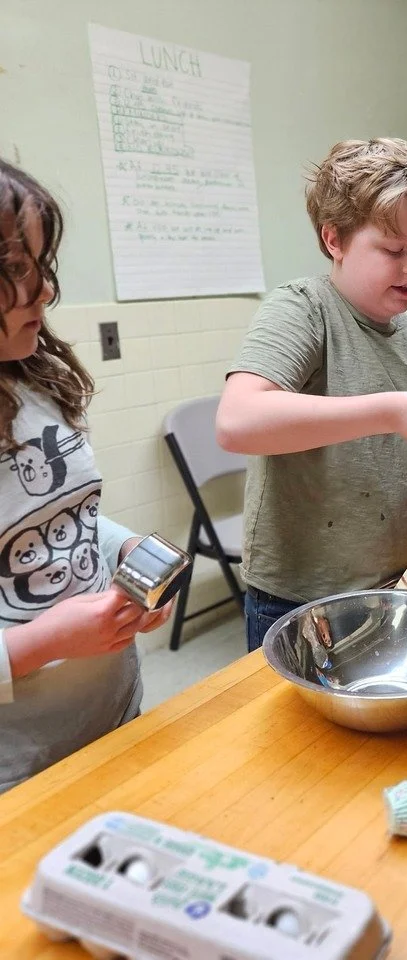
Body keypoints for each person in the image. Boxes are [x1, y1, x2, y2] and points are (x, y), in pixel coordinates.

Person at [217, 138, 407, 651]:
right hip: (300, 598)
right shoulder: (304, 309)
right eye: (394, 250)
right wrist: (393, 411)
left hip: (398, 584)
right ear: (335, 239)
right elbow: (237, 421)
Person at [0, 160, 171, 794]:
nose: (44, 292)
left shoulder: (32, 376)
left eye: (42, 267)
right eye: (17, 271)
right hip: (21, 770)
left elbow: (57, 515)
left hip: (112, 718)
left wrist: (124, 548)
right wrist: (39, 643)